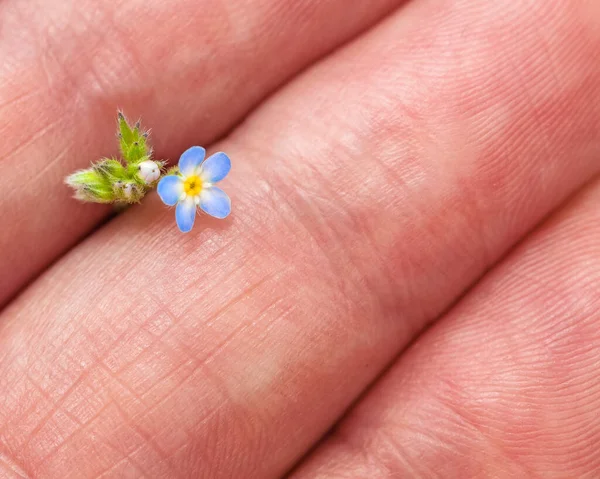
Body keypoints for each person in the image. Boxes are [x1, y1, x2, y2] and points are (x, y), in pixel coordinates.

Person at [0, 0, 599, 477]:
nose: (189, 187)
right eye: (188, 184)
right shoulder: (172, 190)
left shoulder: (185, 186)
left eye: (190, 183)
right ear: (181, 181)